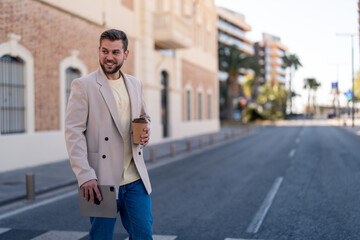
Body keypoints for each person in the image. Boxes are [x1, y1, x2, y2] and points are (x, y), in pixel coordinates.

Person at [65, 29, 153, 240]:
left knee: (143, 235)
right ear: (99, 50)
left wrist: (145, 132)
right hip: (100, 180)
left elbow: (144, 116)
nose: (109, 57)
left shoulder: (135, 83)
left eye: (115, 52)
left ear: (125, 54)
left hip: (135, 179)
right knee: (101, 237)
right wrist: (84, 175)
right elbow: (73, 132)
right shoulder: (83, 85)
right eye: (105, 51)